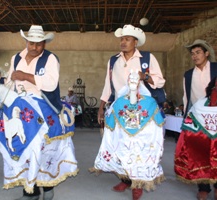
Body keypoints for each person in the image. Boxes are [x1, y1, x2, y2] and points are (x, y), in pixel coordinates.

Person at [4, 25, 78, 200]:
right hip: (20, 104)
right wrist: (11, 82)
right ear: (26, 41)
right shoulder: (16, 58)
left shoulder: (51, 58)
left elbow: (51, 83)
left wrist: (25, 76)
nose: (35, 47)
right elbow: (9, 81)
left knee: (47, 145)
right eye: (31, 43)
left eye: (39, 44)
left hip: (43, 101)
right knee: (21, 145)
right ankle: (30, 189)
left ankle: (48, 183)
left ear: (44, 43)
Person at [97, 24, 165, 199]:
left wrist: (145, 76)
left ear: (136, 42)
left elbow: (160, 81)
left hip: (143, 110)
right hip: (120, 110)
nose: (123, 42)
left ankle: (138, 183)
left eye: (127, 39)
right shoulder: (113, 61)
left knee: (140, 146)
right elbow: (108, 86)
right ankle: (126, 179)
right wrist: (101, 107)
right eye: (122, 39)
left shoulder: (147, 58)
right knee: (121, 145)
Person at [91, 71, 165, 200]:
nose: (133, 82)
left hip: (142, 138)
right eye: (130, 80)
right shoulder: (119, 102)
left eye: (136, 80)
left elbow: (158, 121)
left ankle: (137, 186)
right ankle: (125, 181)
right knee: (123, 157)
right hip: (124, 138)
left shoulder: (149, 102)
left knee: (139, 160)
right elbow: (111, 119)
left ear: (139, 83)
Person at [175, 77, 217, 200]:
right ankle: (203, 188)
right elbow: (191, 119)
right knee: (200, 158)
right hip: (203, 139)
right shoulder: (200, 104)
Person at [183, 39, 217, 118]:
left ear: (206, 53)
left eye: (198, 52)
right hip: (198, 115)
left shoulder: (215, 69)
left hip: (215, 113)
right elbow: (186, 98)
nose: (195, 56)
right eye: (192, 54)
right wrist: (186, 116)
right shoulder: (188, 75)